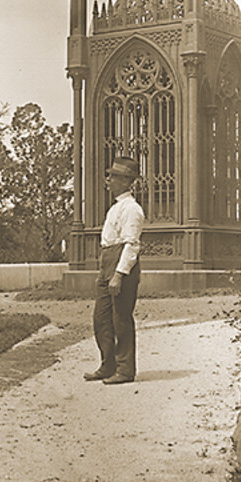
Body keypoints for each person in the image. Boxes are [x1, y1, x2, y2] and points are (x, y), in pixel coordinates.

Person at [85, 155, 144, 385]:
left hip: (122, 265)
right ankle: (107, 365)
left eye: (113, 177)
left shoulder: (132, 209)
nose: (108, 180)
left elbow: (132, 245)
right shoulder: (115, 208)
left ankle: (125, 369)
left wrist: (119, 274)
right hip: (107, 261)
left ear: (126, 181)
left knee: (121, 319)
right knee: (101, 319)